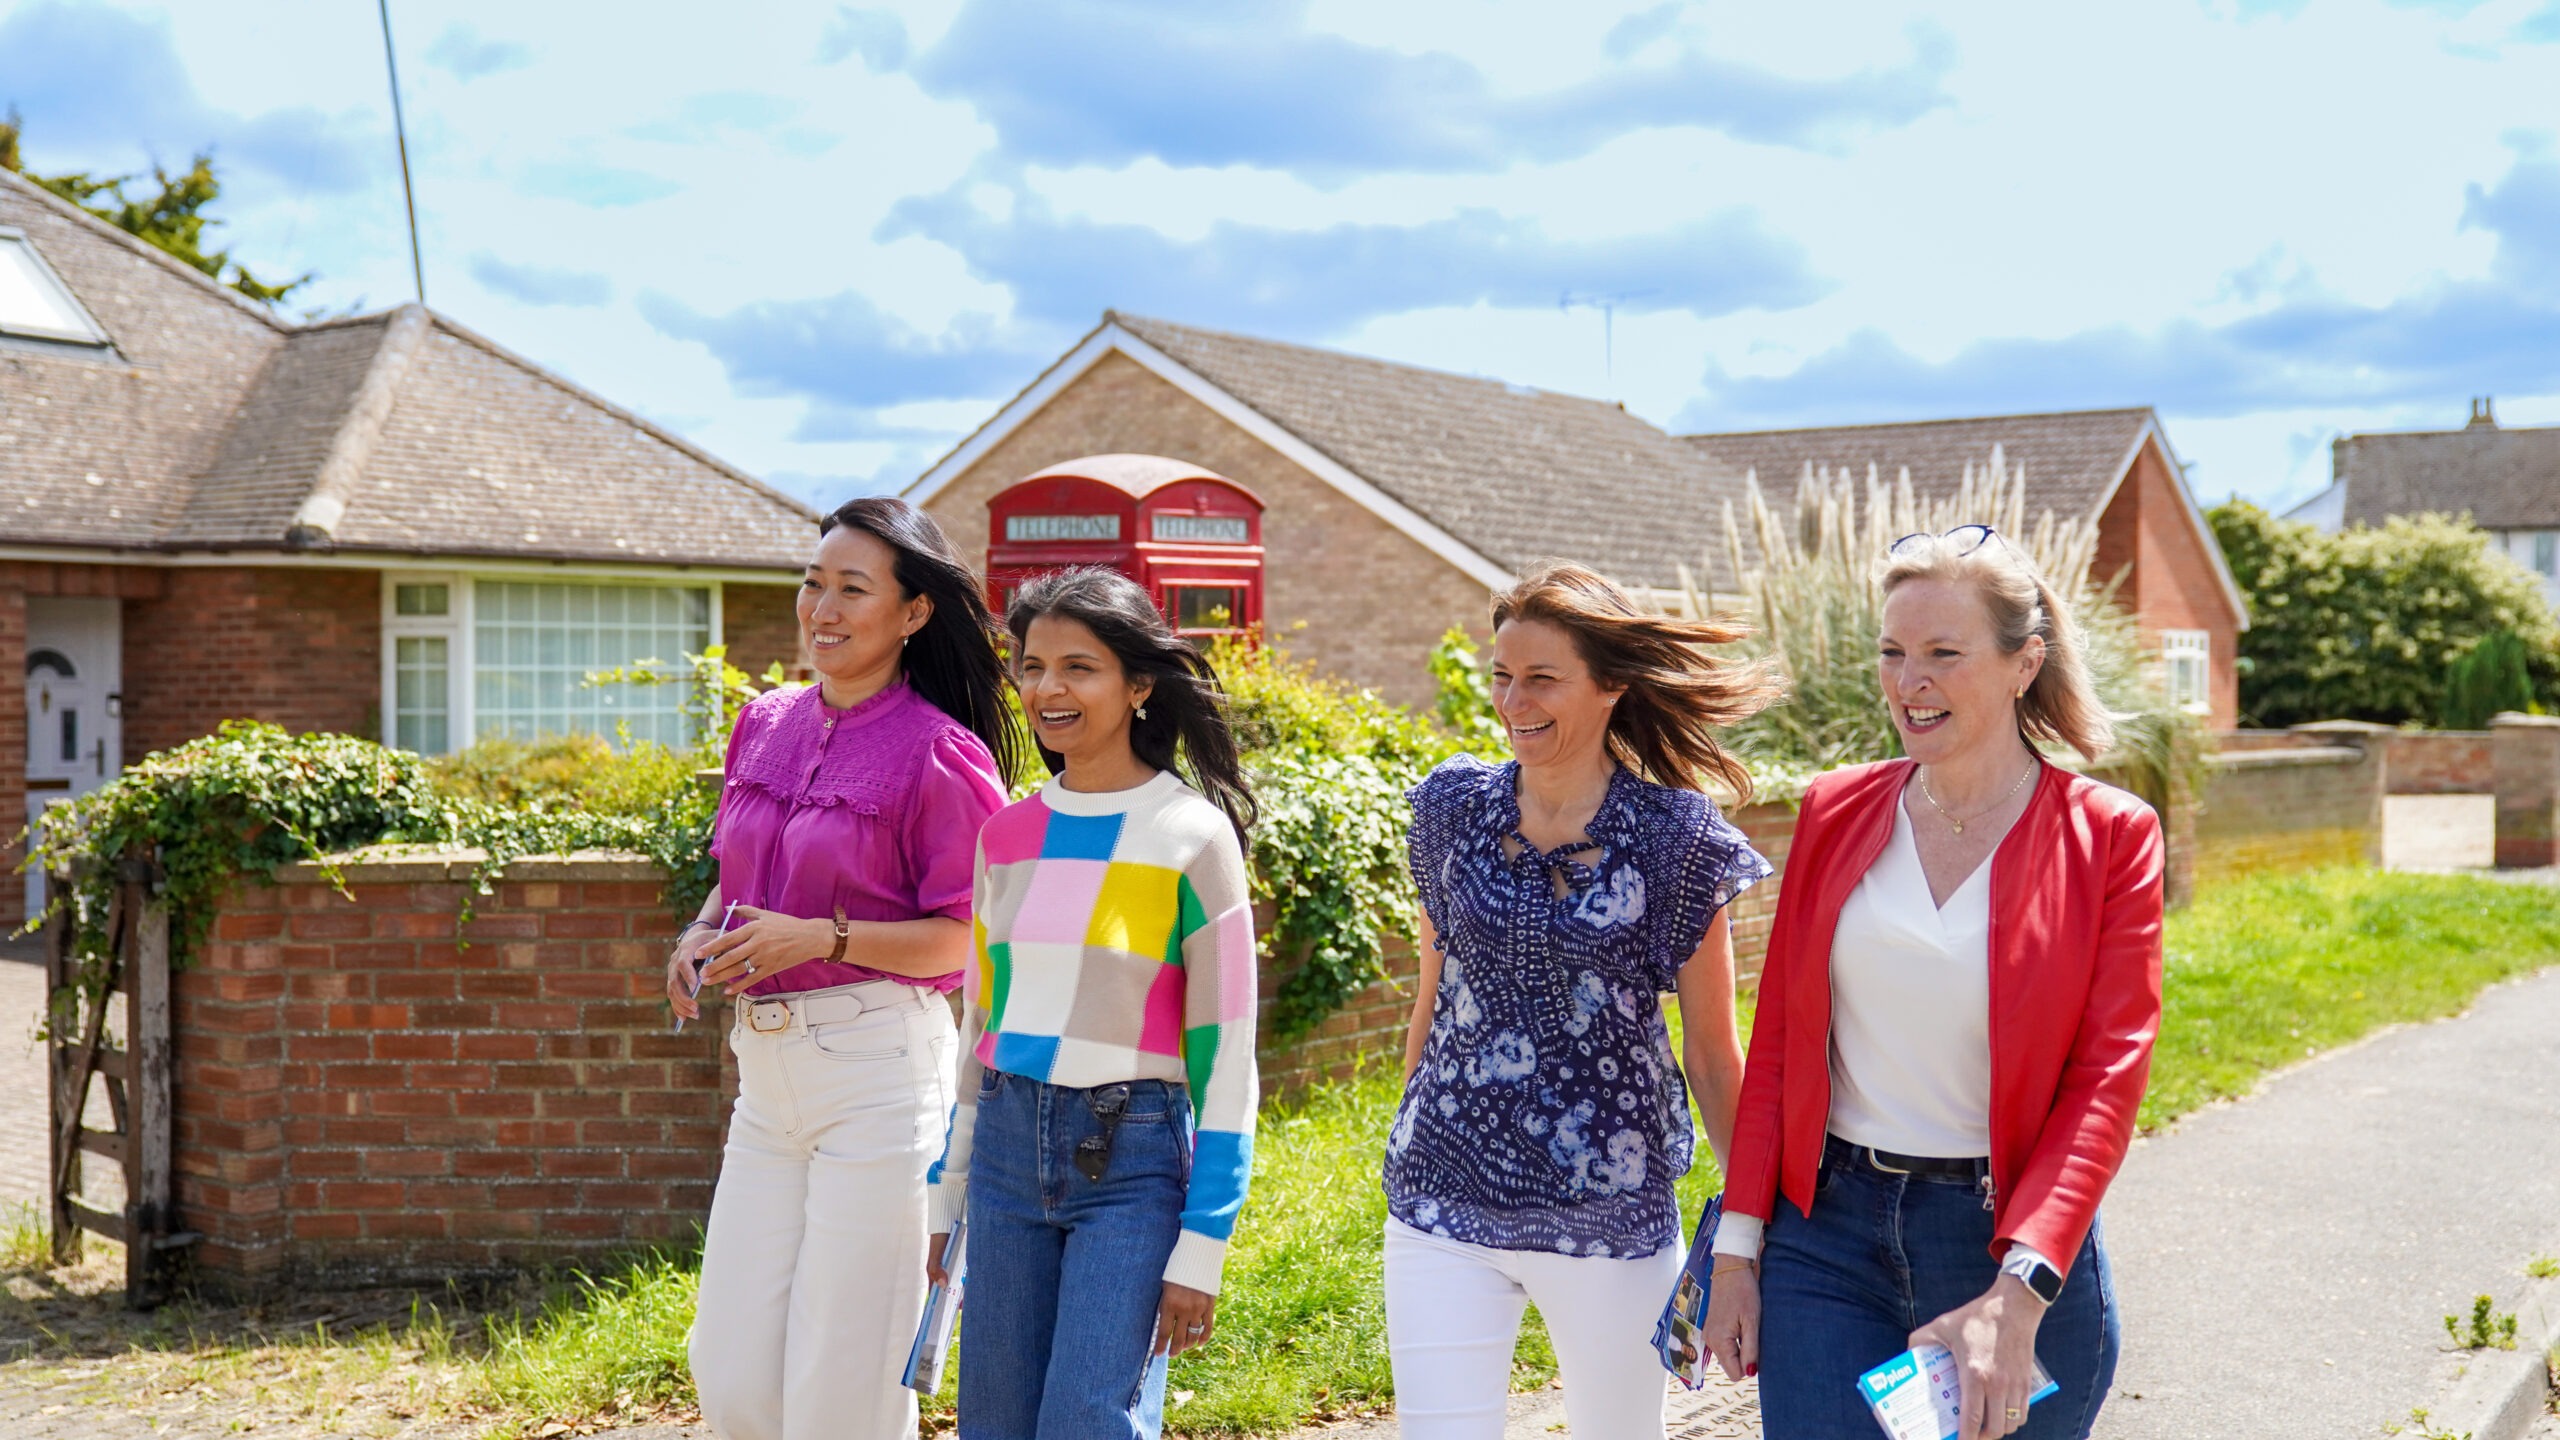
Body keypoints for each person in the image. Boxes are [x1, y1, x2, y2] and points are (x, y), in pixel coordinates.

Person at [1700, 525, 2164, 1440]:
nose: (1910, 681)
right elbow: (1785, 1044)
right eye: (1893, 652)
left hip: (2003, 1243)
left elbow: (2105, 1084)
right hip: (1825, 1238)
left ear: (2023, 663)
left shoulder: (2110, 835)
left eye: (1944, 654)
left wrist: (2021, 1286)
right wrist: (1738, 1249)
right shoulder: (1837, 808)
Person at [1384, 561, 1784, 1440]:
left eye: (1541, 678)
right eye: (1502, 675)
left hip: (1611, 1211)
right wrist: (1405, 1125)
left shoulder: (1678, 839)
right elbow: (1435, 993)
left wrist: (1757, 1220)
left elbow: (1715, 1057)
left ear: (1611, 686)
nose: (1512, 699)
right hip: (1442, 1197)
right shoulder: (1449, 807)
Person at [667, 497, 1023, 1440]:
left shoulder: (944, 755)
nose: (821, 608)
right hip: (765, 1082)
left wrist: (821, 937)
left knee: (846, 1389)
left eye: (852, 589)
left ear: (913, 614)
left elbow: (968, 941)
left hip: (879, 1076)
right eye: (813, 582)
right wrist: (698, 934)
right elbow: (729, 880)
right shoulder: (764, 721)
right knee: (732, 1371)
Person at [925, 565, 1260, 1440]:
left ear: (1138, 685)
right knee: (992, 1423)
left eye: (1079, 667)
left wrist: (1205, 1246)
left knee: (1087, 1421)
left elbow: (1226, 1057)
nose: (1047, 688)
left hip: (1132, 1158)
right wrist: (948, 1193)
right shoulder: (1006, 834)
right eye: (1032, 667)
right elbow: (979, 1025)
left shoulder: (1192, 837)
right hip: (1003, 1149)